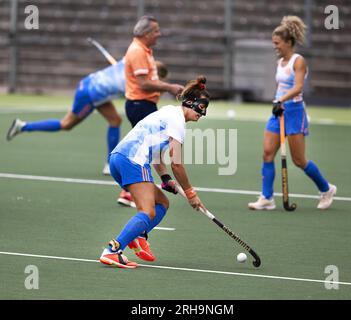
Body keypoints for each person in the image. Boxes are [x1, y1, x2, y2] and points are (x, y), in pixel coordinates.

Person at [99, 76, 210, 268]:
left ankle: (137, 235)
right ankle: (113, 251)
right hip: (133, 161)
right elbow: (177, 164)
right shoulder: (178, 122)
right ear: (191, 103)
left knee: (162, 203)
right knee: (147, 211)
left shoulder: (168, 112)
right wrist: (191, 193)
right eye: (201, 109)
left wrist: (166, 179)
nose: (202, 114)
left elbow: (157, 152)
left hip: (119, 158)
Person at [5, 57, 168, 176]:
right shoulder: (138, 79)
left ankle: (108, 163)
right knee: (66, 124)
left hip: (93, 87)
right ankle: (23, 126)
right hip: (89, 94)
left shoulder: (131, 60)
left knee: (115, 121)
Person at [248, 16, 336, 211]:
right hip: (278, 111)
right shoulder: (280, 62)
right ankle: (267, 198)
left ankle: (326, 189)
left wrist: (282, 100)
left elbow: (297, 87)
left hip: (294, 112)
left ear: (288, 42)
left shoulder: (299, 61)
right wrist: (277, 100)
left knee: (299, 160)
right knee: (267, 153)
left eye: (277, 43)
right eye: (273, 43)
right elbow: (282, 85)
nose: (275, 47)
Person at [117, 15, 184, 206]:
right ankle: (129, 192)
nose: (159, 34)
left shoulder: (143, 50)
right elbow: (144, 83)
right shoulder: (137, 51)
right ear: (146, 33)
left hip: (144, 104)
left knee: (150, 148)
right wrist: (169, 87)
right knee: (143, 151)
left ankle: (157, 181)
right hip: (140, 105)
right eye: (156, 31)